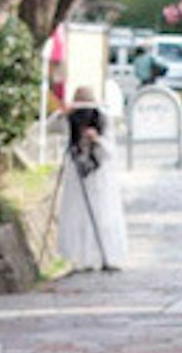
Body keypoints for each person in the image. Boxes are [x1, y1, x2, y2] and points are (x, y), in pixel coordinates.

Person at [51, 86, 130, 278]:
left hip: (100, 176)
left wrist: (97, 140)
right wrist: (61, 114)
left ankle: (106, 255)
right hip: (76, 174)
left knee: (103, 214)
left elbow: (110, 151)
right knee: (76, 214)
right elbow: (48, 128)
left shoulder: (104, 120)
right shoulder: (70, 121)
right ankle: (79, 257)